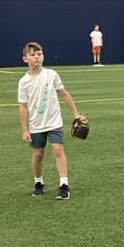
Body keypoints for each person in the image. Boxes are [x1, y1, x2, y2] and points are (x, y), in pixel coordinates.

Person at [18, 42, 85, 200]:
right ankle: (38, 182)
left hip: (54, 121)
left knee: (57, 150)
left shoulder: (51, 74)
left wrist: (76, 115)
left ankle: (64, 185)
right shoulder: (24, 81)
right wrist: (24, 129)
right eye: (33, 54)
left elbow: (64, 94)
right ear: (25, 59)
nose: (36, 57)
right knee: (38, 154)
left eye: (39, 54)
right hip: (36, 124)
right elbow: (23, 106)